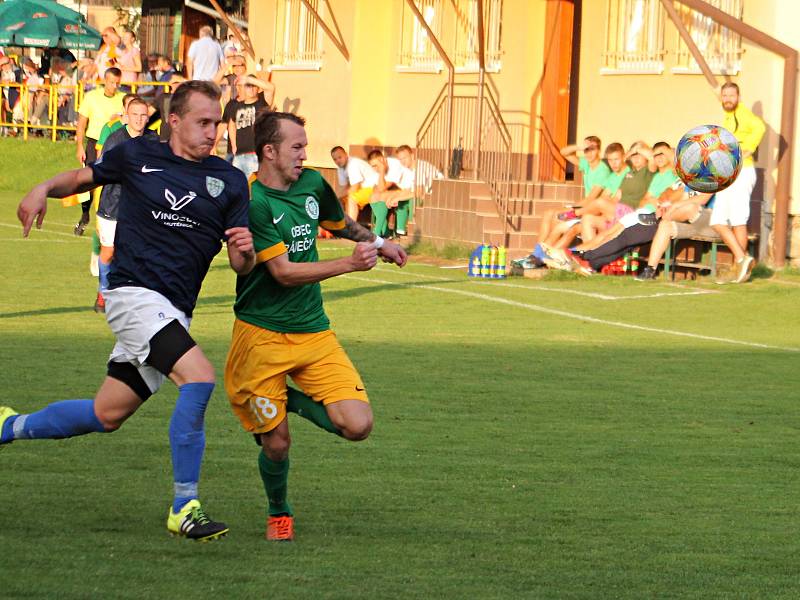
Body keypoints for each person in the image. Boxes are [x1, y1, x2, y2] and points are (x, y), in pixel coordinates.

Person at [3, 80, 255, 541]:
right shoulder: (137, 155)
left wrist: (245, 251)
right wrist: (41, 187)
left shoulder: (230, 181)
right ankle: (185, 505)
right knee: (198, 378)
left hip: (173, 311)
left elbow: (242, 263)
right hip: (132, 295)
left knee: (106, 414)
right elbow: (81, 179)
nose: (212, 131)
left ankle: (8, 425)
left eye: (216, 123)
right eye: (203, 121)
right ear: (174, 121)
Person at [225, 111, 407, 542]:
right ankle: (278, 510)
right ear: (268, 151)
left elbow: (338, 223)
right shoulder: (254, 203)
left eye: (305, 146)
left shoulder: (311, 184)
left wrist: (379, 243)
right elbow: (283, 273)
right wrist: (349, 264)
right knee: (277, 444)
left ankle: (285, 399)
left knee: (358, 425)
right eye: (297, 147)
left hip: (312, 330)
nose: (305, 155)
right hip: (261, 336)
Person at [94, 97, 154, 313]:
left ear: (148, 117)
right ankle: (103, 291)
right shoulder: (115, 140)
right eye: (134, 115)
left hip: (140, 208)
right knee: (109, 252)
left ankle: (133, 297)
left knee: (138, 253)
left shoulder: (152, 140)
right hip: (113, 205)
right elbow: (100, 169)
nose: (139, 119)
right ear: (126, 117)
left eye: (143, 115)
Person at [711, 82, 765, 277]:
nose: (727, 99)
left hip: (742, 172)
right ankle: (743, 260)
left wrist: (749, 147)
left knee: (738, 221)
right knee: (717, 221)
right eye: (724, 96)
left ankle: (740, 266)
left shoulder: (743, 114)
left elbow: (759, 127)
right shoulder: (729, 114)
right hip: (729, 173)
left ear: (739, 97)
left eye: (731, 95)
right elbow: (717, 90)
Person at [74, 67, 124, 235]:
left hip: (115, 145)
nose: (115, 86)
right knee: (88, 181)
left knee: (110, 183)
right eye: (112, 82)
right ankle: (85, 215)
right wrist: (80, 146)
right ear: (105, 80)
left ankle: (107, 217)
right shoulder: (92, 97)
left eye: (118, 83)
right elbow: (81, 123)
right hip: (94, 143)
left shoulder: (123, 99)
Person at [223, 75, 271, 177]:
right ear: (244, 88)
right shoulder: (236, 106)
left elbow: (271, 88)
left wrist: (249, 79)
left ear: (258, 88)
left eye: (254, 86)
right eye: (249, 86)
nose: (252, 89)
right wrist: (234, 144)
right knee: (238, 186)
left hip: (255, 154)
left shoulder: (262, 103)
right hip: (239, 155)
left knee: (253, 185)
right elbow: (231, 124)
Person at [395, 144, 443, 236]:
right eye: (400, 159)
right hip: (423, 194)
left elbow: (418, 192)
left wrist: (398, 198)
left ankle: (413, 231)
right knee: (402, 201)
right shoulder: (407, 169)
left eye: (404, 158)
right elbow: (407, 190)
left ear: (412, 156)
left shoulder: (420, 167)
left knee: (414, 200)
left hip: (437, 194)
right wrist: (394, 198)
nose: (402, 161)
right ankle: (400, 232)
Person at [366, 149, 414, 238]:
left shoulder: (394, 165)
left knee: (381, 196)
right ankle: (384, 231)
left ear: (383, 160)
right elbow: (378, 189)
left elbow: (382, 188)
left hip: (409, 191)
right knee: (373, 197)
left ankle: (378, 232)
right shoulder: (379, 169)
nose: (374, 169)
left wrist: (382, 171)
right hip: (398, 191)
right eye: (372, 166)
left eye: (376, 165)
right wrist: (381, 171)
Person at [330, 146, 379, 221]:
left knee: (351, 199)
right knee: (342, 200)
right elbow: (343, 187)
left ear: (346, 154)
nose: (338, 161)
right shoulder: (340, 168)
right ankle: (343, 225)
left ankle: (351, 229)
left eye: (340, 157)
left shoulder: (353, 164)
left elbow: (355, 187)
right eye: (335, 159)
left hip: (374, 187)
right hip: (362, 189)